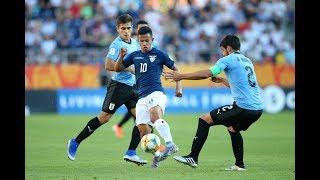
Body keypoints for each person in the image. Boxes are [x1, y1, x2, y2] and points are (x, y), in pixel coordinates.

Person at [164, 35, 263, 170]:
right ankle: (239, 165)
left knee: (204, 119)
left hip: (243, 108)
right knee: (233, 128)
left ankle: (193, 157)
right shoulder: (247, 61)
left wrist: (181, 76)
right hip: (257, 109)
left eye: (223, 50)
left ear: (228, 48)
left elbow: (208, 73)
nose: (222, 53)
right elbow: (242, 86)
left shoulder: (227, 59)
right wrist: (222, 81)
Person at [67, 14, 147, 166]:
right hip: (118, 87)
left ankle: (131, 152)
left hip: (132, 88)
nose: (126, 31)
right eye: (123, 28)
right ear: (118, 29)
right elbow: (109, 66)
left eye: (129, 28)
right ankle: (75, 142)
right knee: (104, 118)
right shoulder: (116, 45)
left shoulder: (135, 43)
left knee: (142, 119)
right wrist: (130, 68)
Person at [114, 26, 183, 168]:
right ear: (138, 41)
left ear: (152, 39)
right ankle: (157, 155)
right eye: (141, 41)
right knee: (143, 131)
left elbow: (176, 69)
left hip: (156, 92)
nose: (144, 43)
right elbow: (117, 68)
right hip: (141, 97)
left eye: (146, 40)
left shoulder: (160, 54)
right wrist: (121, 56)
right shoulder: (134, 55)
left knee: (155, 117)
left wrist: (178, 86)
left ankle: (170, 144)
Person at [111, 20, 153, 139]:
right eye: (142, 28)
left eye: (146, 28)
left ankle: (140, 146)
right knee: (141, 116)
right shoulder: (134, 43)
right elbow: (117, 65)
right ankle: (146, 145)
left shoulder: (146, 43)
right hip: (129, 84)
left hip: (139, 83)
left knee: (140, 115)